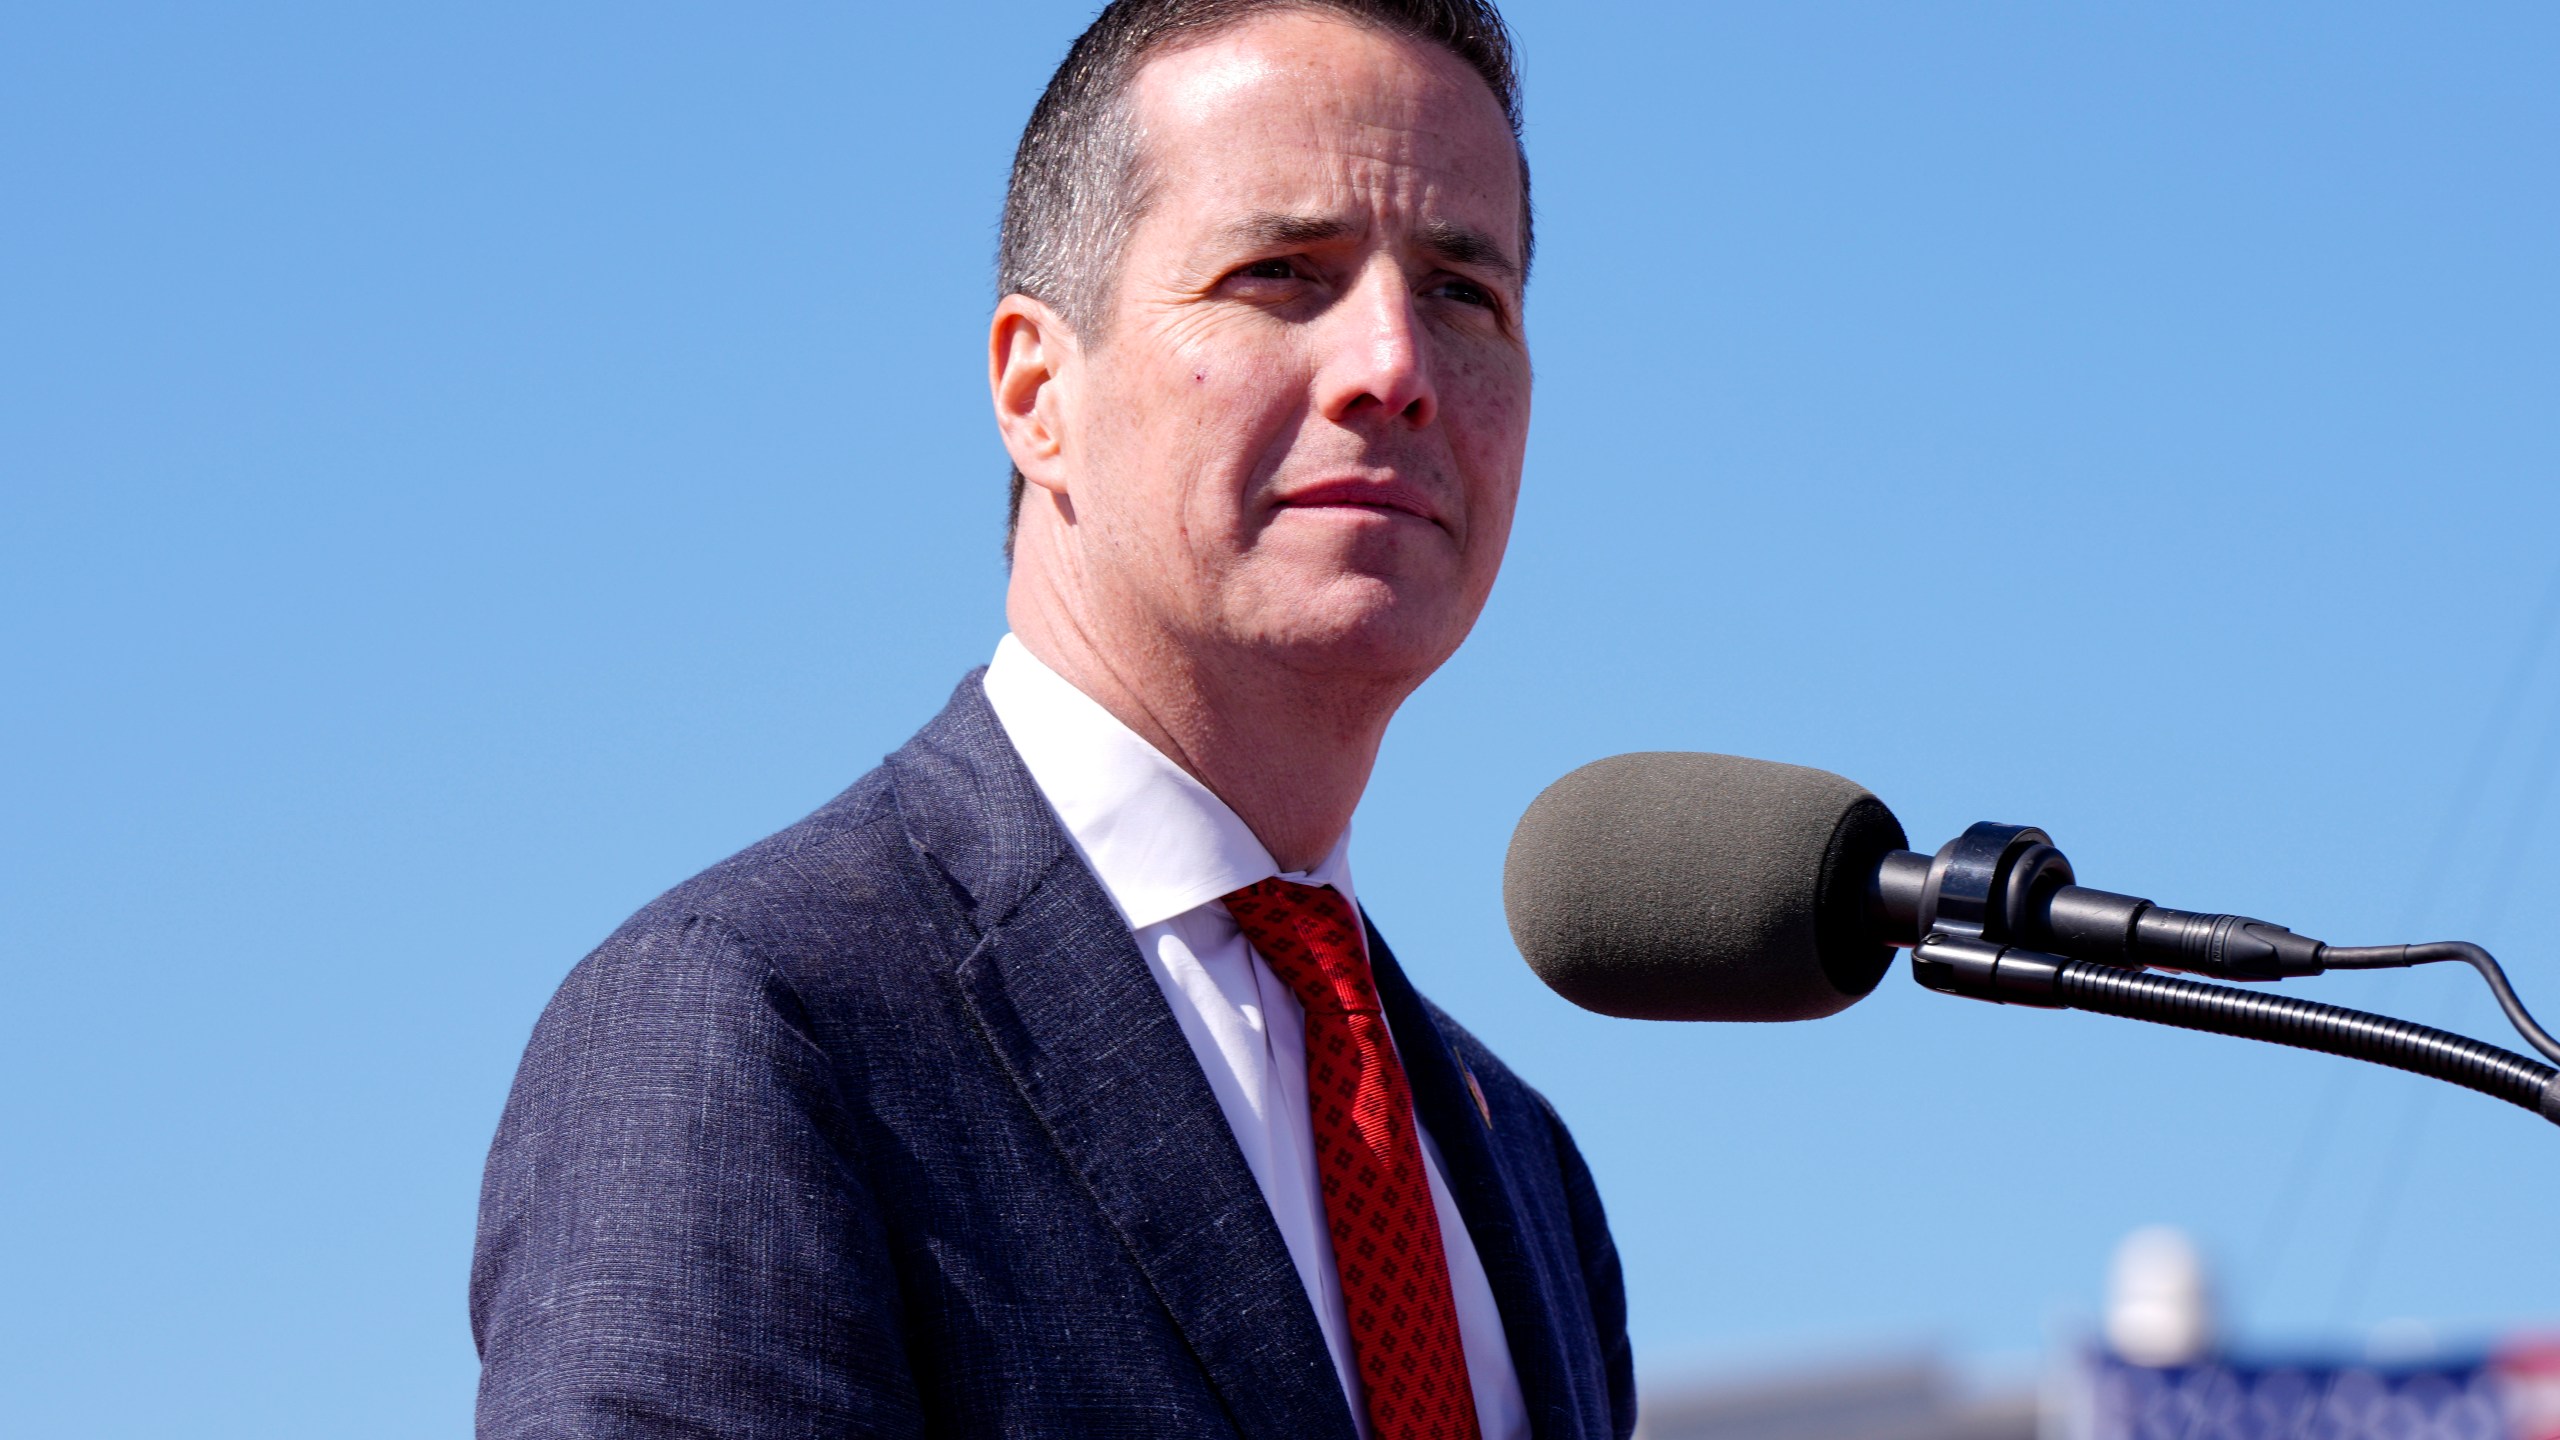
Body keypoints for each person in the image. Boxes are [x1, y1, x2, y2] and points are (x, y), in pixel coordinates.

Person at [469, 1, 1634, 1436]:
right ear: (1036, 391)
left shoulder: (1522, 1167)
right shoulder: (751, 1023)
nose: (1392, 364)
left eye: (1466, 293)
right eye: (1281, 273)